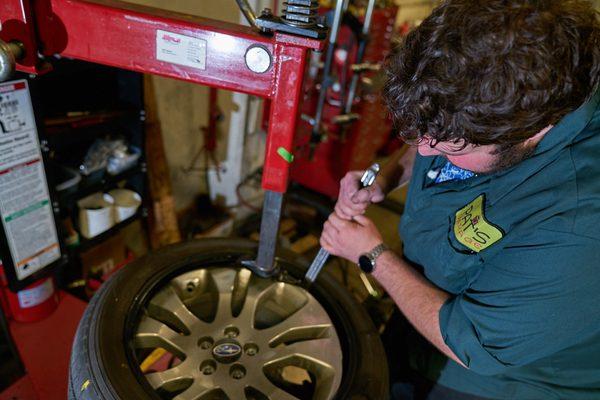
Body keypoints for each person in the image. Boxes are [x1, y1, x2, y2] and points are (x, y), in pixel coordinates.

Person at [319, 1, 600, 399]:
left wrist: (372, 256)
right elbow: (434, 134)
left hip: (497, 381)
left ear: (531, 131)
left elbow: (474, 344)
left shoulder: (577, 223)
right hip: (420, 307)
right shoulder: (494, 88)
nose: (426, 150)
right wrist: (387, 176)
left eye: (450, 147)